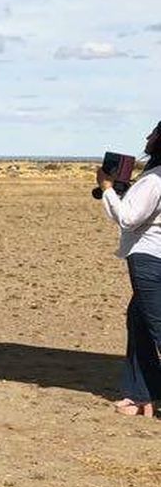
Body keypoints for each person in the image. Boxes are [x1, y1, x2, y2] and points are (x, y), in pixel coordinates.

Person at [98, 121, 161, 417]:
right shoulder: (151, 178)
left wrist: (108, 188)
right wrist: (113, 193)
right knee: (139, 325)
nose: (147, 137)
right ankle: (141, 396)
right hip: (152, 256)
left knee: (156, 327)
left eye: (154, 133)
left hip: (149, 260)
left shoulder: (154, 180)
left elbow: (129, 218)